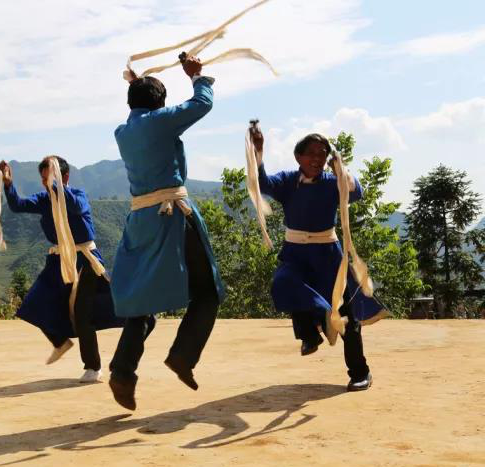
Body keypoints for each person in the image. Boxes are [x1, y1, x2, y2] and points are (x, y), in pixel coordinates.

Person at [108, 54, 226, 410]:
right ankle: (183, 356)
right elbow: (201, 104)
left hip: (141, 219)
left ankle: (122, 372)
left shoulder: (123, 132)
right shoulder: (159, 121)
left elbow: (142, 107)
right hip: (171, 215)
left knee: (142, 299)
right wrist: (197, 75)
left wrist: (141, 87)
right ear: (159, 103)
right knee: (208, 291)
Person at [251, 123, 387, 391]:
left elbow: (357, 192)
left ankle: (360, 373)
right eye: (311, 153)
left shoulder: (333, 182)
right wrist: (258, 153)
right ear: (298, 157)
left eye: (322, 154)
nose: (316, 159)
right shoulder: (287, 181)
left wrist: (341, 171)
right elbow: (263, 184)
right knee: (284, 283)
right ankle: (311, 333)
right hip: (295, 253)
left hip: (328, 256)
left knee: (346, 316)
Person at [0, 156, 123, 383]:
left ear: (64, 177)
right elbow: (18, 205)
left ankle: (93, 367)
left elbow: (74, 207)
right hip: (59, 261)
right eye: (44, 178)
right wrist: (8, 184)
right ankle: (60, 341)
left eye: (50, 177)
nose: (46, 182)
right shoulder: (44, 199)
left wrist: (55, 187)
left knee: (83, 312)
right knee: (33, 302)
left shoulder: (78, 195)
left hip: (85, 260)